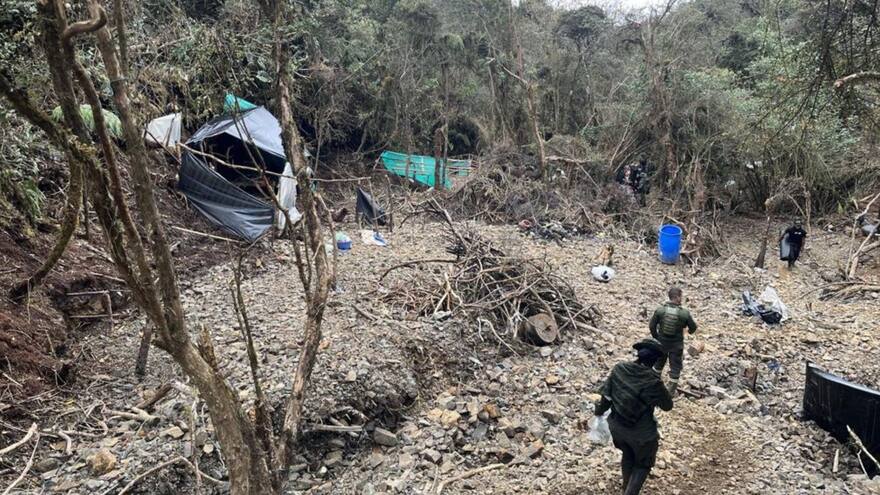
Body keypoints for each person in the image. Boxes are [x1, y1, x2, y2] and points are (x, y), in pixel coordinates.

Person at [594, 338, 674, 495]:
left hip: (617, 428)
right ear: (654, 361)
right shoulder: (652, 381)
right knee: (643, 464)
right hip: (641, 435)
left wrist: (597, 414)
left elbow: (606, 399)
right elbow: (667, 406)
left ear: (638, 354)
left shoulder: (619, 369)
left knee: (628, 453)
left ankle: (626, 488)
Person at [649, 286, 698, 395]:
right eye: (681, 296)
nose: (682, 299)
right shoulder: (684, 313)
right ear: (677, 297)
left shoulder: (660, 310)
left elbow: (652, 326)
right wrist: (688, 332)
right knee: (675, 368)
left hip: (661, 343)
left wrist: (656, 337)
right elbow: (693, 327)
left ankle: (652, 386)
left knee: (658, 365)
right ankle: (670, 393)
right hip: (676, 345)